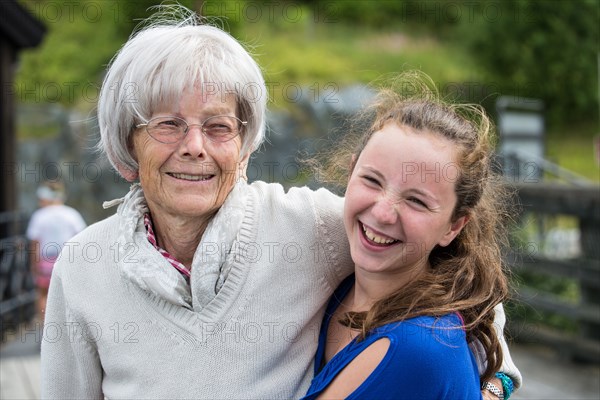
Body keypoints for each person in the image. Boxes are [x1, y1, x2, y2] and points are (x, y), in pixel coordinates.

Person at [41, 6, 520, 399]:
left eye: (218, 127)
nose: (194, 146)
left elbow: (450, 279)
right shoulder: (84, 266)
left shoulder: (305, 226)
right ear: (129, 144)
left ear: (244, 147)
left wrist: (495, 382)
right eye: (167, 124)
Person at [302, 73, 518, 399]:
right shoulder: (337, 290)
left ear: (454, 226)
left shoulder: (418, 347)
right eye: (372, 180)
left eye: (416, 201)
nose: (383, 212)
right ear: (350, 173)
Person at [26, 179, 86, 320]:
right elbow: (81, 238)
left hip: (45, 261)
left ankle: (47, 328)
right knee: (67, 293)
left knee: (43, 294)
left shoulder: (39, 216)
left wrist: (34, 264)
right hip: (66, 259)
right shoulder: (71, 214)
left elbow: (35, 243)